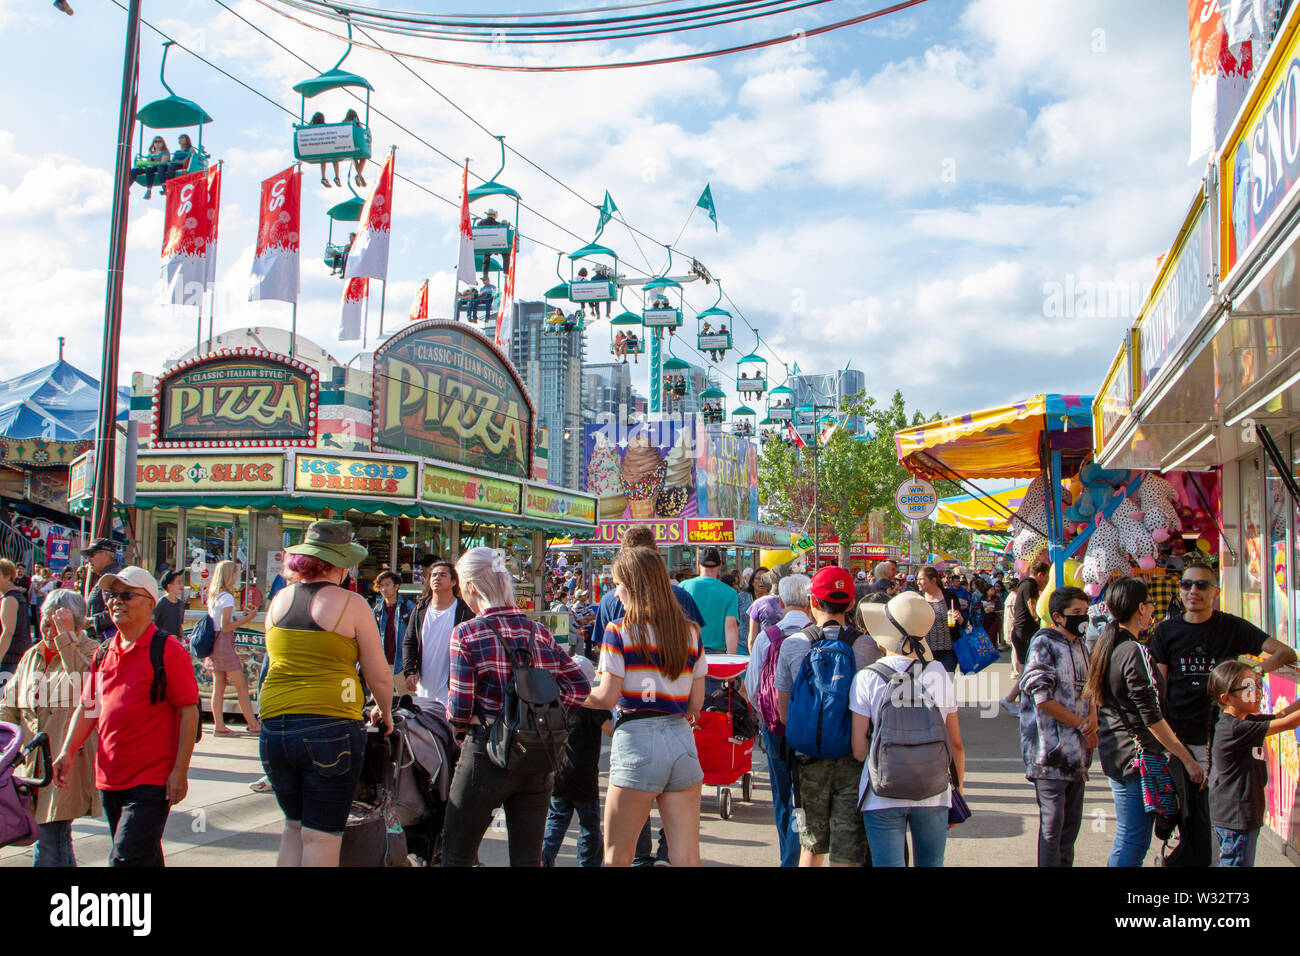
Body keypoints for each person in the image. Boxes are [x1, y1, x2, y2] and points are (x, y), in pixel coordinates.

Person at [442, 547, 589, 867]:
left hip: (486, 752)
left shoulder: (467, 633)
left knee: (456, 853)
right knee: (527, 859)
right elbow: (579, 685)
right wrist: (546, 716)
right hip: (537, 754)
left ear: (469, 586)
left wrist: (460, 723)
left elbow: (459, 709)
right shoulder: (539, 632)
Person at [259, 520, 393, 867]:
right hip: (330, 727)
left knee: (293, 827)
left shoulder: (278, 601)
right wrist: (385, 711)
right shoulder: (352, 603)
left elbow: (272, 662)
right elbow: (378, 674)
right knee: (321, 836)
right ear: (341, 564)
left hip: (275, 728)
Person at [1146, 561, 1294, 866]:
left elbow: (1284, 652)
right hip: (1182, 741)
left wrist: (1255, 670)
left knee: (1219, 823)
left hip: (1225, 738)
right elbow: (1158, 692)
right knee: (1194, 823)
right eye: (1186, 585)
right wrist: (1170, 748)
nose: (1193, 591)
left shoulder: (1232, 627)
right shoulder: (1166, 632)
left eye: (1202, 585)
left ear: (1216, 592)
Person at [51, 567, 199, 866]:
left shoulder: (167, 649)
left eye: (126, 595)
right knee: (143, 857)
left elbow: (189, 711)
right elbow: (88, 707)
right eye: (112, 596)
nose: (116, 602)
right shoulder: (103, 652)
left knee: (124, 859)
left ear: (149, 603)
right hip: (109, 777)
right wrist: (67, 751)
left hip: (152, 779)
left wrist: (180, 771)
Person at [584, 546, 707, 867]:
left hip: (636, 741)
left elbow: (606, 697)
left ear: (633, 586)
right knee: (687, 856)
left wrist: (570, 693)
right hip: (682, 741)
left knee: (617, 856)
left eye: (617, 585)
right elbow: (696, 703)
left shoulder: (620, 632)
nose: (615, 593)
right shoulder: (691, 633)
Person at [1083, 577, 1205, 867]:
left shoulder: (1107, 646)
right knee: (1135, 841)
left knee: (1127, 836)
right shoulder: (1133, 650)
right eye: (1150, 604)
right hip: (1137, 759)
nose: (1152, 609)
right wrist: (1187, 759)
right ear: (1141, 608)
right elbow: (1152, 717)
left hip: (1117, 753)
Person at [851, 590, 964, 867]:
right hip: (934, 790)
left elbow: (858, 749)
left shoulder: (867, 677)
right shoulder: (937, 672)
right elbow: (956, 744)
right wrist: (957, 790)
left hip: (882, 792)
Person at [775, 566, 868, 867]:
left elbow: (783, 709)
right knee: (846, 848)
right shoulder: (867, 647)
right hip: (853, 758)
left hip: (807, 758)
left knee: (811, 845)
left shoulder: (792, 645)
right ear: (851, 603)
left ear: (811, 602)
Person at [0, 589, 100, 865]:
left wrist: (67, 639)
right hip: (33, 765)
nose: (48, 628)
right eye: (45, 620)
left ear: (76, 623)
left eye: (55, 622)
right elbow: (9, 703)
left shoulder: (90, 651)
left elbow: (88, 691)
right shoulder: (32, 655)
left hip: (67, 763)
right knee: (54, 838)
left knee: (48, 837)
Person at [1018, 586, 1096, 867]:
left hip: (1078, 754)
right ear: (1057, 616)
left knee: (1070, 828)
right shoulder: (1044, 643)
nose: (1082, 618)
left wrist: (1093, 722)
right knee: (1053, 827)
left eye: (1085, 612)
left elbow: (1090, 690)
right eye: (1076, 613)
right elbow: (1042, 699)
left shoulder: (1082, 646)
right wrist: (1082, 725)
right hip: (1048, 752)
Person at [744, 572, 812, 867]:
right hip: (814, 729)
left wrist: (764, 715)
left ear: (781, 602)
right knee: (808, 799)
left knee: (783, 798)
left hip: (776, 728)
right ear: (810, 603)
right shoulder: (819, 634)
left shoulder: (766, 637)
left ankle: (789, 858)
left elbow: (752, 687)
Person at [1207, 660, 1300, 866]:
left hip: (1237, 816)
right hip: (1236, 818)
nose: (1258, 692)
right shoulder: (1235, 728)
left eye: (1258, 685)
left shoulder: (1243, 721)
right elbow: (1289, 722)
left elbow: (1282, 715)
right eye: (1249, 687)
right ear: (1227, 698)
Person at [542, 656, 612, 867]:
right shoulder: (594, 703)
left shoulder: (558, 700)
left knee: (556, 819)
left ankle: (544, 857)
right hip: (585, 774)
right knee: (589, 825)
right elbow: (611, 730)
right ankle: (588, 863)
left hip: (559, 770)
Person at [402, 560, 474, 704]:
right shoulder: (420, 609)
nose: (437, 578)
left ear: (453, 582)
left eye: (442, 575)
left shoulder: (465, 611)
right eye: (433, 575)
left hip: (452, 687)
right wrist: (409, 671)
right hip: (424, 687)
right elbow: (410, 642)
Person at [206, 560, 261, 737]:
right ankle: (253, 725)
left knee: (218, 686)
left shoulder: (215, 596)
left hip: (214, 643)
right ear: (230, 575)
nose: (237, 577)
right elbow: (226, 626)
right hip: (224, 643)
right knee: (241, 685)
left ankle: (219, 726)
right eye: (236, 573)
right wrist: (249, 617)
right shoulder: (228, 598)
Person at [1003, 559, 1049, 715]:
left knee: (1027, 670)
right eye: (1047, 578)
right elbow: (1033, 608)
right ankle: (1009, 699)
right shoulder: (1030, 585)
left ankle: (1021, 702)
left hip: (1021, 632)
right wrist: (1042, 619)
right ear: (1041, 575)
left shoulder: (1025, 584)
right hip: (1023, 633)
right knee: (1025, 671)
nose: (1047, 581)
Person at [681, 546, 740, 654]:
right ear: (719, 567)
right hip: (716, 655)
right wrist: (732, 658)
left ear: (698, 565)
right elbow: (731, 627)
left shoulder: (683, 587)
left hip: (687, 652)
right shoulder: (730, 593)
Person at [916, 566, 961, 672]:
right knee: (930, 685)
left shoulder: (949, 595)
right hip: (926, 652)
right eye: (917, 579)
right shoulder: (918, 598)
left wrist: (959, 618)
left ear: (933, 580)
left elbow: (962, 623)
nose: (918, 582)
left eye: (921, 579)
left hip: (949, 650)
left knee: (946, 683)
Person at [371, 570, 413, 676]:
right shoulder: (377, 610)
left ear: (396, 586)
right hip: (382, 663)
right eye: (381, 586)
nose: (383, 589)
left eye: (387, 585)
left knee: (404, 693)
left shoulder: (407, 607)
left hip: (402, 664)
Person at [81, 538, 123, 641]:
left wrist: (90, 622)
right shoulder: (109, 575)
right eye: (87, 556)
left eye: (92, 555)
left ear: (106, 555)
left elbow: (117, 609)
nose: (88, 560)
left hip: (105, 640)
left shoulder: (111, 577)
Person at [0, 558, 32, 689]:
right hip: (16, 657)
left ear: (7, 576)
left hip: (10, 659)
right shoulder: (16, 596)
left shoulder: (10, 599)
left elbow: (8, 632)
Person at [747, 562, 788, 649]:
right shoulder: (793, 602)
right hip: (788, 652)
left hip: (765, 652)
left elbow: (752, 640)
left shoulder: (758, 604)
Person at [307, 112, 342, 186]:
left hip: (315, 147)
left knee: (323, 160)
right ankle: (337, 177)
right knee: (335, 159)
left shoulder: (310, 127)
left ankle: (323, 177)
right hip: (326, 146)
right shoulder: (325, 127)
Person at [151, 570, 186, 642]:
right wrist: (165, 636)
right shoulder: (161, 603)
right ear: (169, 586)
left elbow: (179, 626)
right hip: (162, 644)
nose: (181, 585)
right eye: (178, 582)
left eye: (181, 582)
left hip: (176, 643)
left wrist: (183, 638)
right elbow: (152, 625)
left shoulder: (181, 604)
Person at [343, 109, 367, 186]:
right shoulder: (357, 123)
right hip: (357, 144)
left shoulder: (344, 122)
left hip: (347, 145)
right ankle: (359, 175)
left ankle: (359, 175)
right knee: (363, 158)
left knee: (354, 158)